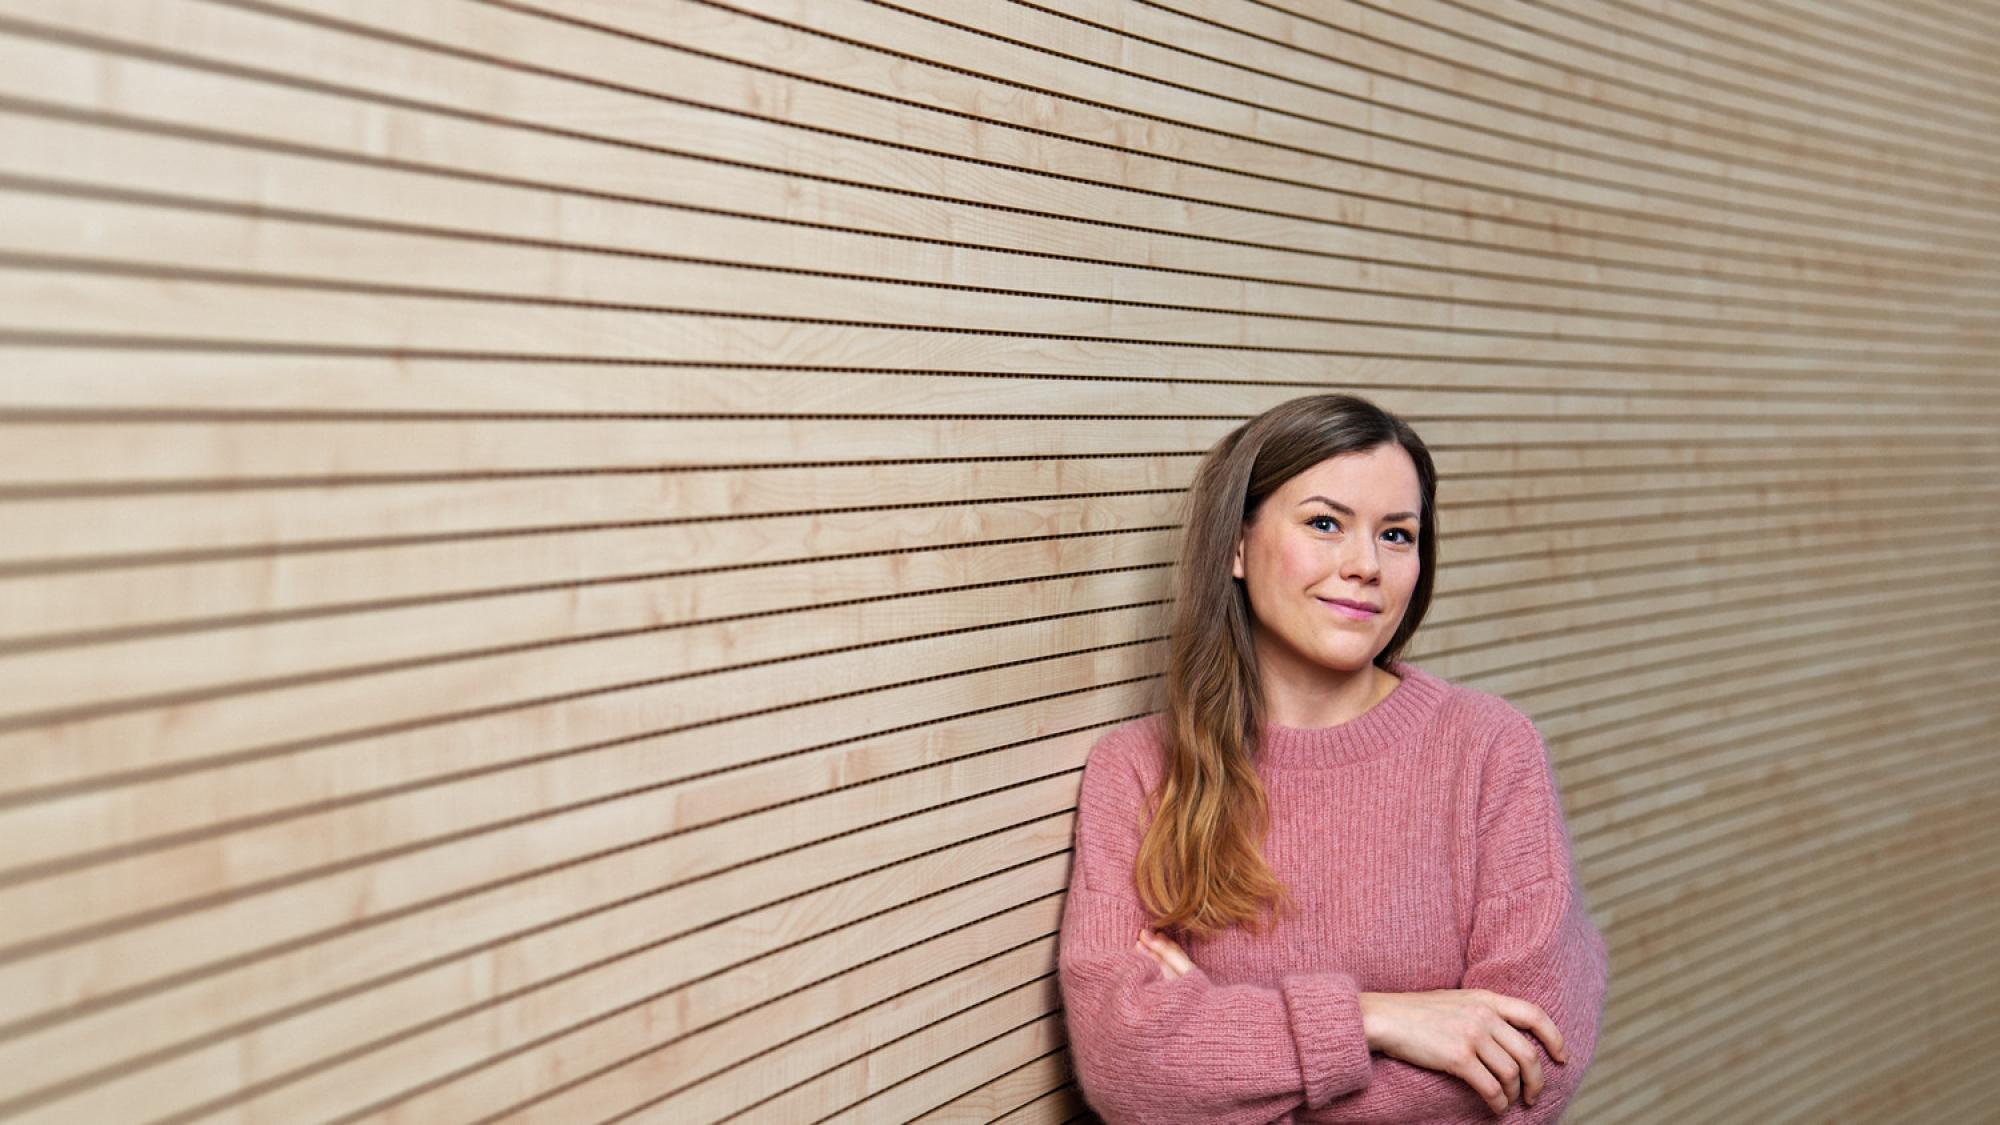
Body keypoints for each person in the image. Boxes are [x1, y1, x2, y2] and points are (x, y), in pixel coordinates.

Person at [1057, 394, 1610, 1123]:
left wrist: (1231, 1066)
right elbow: (1126, 1069)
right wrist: (1376, 1017)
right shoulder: (1138, 769)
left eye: (1397, 535)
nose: (1366, 565)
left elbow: (1531, 1066)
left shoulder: (1489, 749)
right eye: (1325, 523)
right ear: (1237, 545)